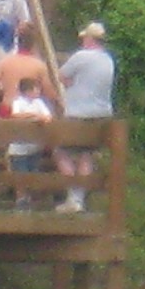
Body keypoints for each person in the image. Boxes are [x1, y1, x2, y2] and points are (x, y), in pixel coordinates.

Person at [54, 22, 115, 214]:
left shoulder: (81, 56)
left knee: (60, 152)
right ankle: (79, 200)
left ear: (89, 38)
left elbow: (62, 76)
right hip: (101, 114)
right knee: (86, 155)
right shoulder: (108, 59)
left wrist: (73, 83)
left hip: (79, 113)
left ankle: (73, 197)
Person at [7, 77, 53, 210]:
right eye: (35, 88)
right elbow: (15, 115)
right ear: (26, 91)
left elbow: (48, 116)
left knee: (33, 171)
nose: (38, 91)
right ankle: (21, 198)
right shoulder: (18, 102)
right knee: (20, 173)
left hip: (34, 146)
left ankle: (31, 199)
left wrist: (40, 117)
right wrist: (35, 116)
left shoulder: (39, 103)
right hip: (19, 147)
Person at [0, 23, 59, 119]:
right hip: (27, 110)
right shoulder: (39, 65)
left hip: (7, 107)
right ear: (34, 44)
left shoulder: (4, 62)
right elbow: (48, 92)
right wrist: (58, 100)